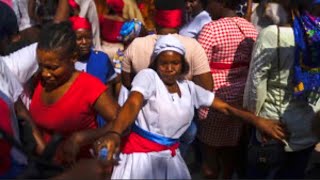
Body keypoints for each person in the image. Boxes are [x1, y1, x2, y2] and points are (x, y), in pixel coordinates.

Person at [95, 34, 286, 179]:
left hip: (170, 157)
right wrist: (115, 133)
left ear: (183, 65)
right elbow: (134, 102)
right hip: (140, 159)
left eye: (175, 63)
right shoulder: (148, 77)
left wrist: (257, 120)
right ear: (156, 63)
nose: (170, 68)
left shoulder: (189, 88)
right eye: (164, 63)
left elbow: (225, 107)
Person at [121, 0, 213, 159]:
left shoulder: (136, 44)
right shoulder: (192, 46)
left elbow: (127, 82)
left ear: (156, 18)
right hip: (181, 126)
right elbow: (207, 87)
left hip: (144, 127)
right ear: (182, 18)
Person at [243, 0, 320, 178]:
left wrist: (254, 119)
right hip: (308, 126)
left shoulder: (272, 34)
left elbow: (257, 83)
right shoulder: (316, 36)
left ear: (288, 7)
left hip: (274, 128)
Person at [28, 22, 120, 166]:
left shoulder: (90, 86)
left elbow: (122, 122)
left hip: (79, 170)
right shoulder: (39, 81)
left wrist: (80, 138)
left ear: (73, 58)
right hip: (42, 168)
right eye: (41, 66)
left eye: (53, 68)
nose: (45, 73)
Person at [196, 0, 258, 178]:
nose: (207, 8)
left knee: (210, 156)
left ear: (220, 3)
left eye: (209, 3)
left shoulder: (211, 29)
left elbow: (200, 67)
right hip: (241, 100)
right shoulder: (249, 28)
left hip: (214, 100)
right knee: (231, 150)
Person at [69, 16, 118, 127]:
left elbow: (111, 85)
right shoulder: (67, 63)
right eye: (79, 38)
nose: (84, 42)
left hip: (101, 119)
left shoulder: (101, 59)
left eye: (88, 38)